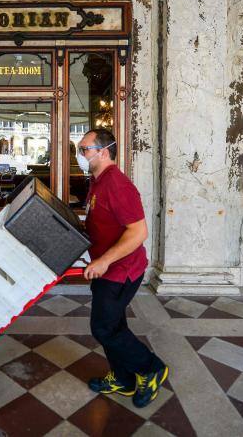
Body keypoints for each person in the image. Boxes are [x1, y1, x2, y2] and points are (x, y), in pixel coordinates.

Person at [79, 128, 168, 408]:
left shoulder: (117, 184)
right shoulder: (97, 181)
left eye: (84, 150)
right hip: (107, 268)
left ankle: (151, 367)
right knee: (113, 324)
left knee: (104, 328)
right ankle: (123, 378)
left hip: (121, 270)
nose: (80, 156)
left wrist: (104, 260)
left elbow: (138, 232)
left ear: (103, 152)